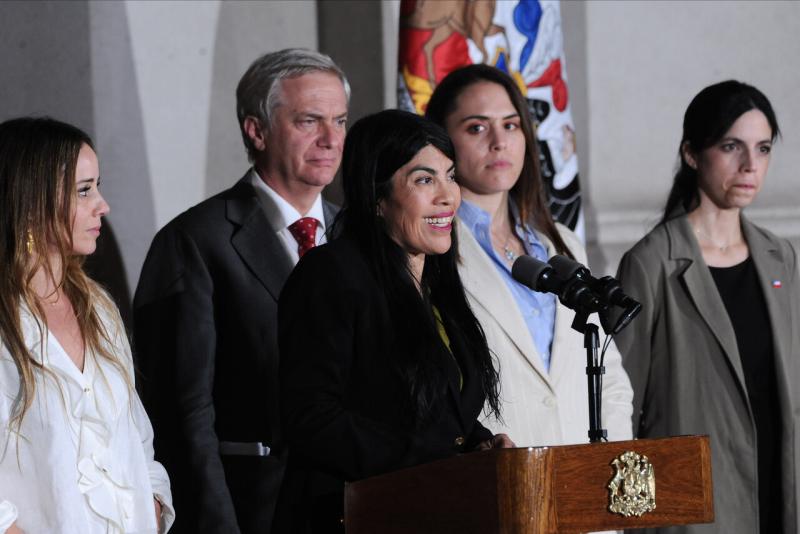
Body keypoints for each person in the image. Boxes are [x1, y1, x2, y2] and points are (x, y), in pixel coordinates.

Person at [132, 49, 348, 534]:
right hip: (254, 513)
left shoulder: (358, 236)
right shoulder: (194, 240)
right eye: (310, 121)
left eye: (339, 120)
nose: (332, 139)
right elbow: (183, 415)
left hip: (353, 507)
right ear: (256, 130)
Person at [276, 109, 514, 533]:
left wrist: (479, 443)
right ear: (377, 198)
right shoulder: (332, 274)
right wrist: (436, 460)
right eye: (425, 180)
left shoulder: (436, 283)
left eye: (450, 175)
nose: (448, 196)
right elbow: (311, 417)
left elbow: (430, 408)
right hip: (353, 515)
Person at [614, 80, 799, 534]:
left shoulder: (780, 256)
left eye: (763, 148)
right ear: (693, 154)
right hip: (696, 502)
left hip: (778, 486)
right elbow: (621, 405)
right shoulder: (650, 262)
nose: (750, 165)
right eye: (732, 146)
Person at [425, 64, 633, 447]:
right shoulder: (430, 247)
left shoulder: (562, 243)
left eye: (511, 125)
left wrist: (608, 462)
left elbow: (611, 378)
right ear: (441, 141)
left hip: (580, 477)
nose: (499, 142)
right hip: (496, 478)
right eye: (476, 127)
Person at [0, 117, 174, 533]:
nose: (103, 205)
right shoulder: (6, 322)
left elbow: (137, 437)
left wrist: (150, 503)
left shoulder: (98, 307)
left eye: (96, 186)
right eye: (84, 190)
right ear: (29, 199)